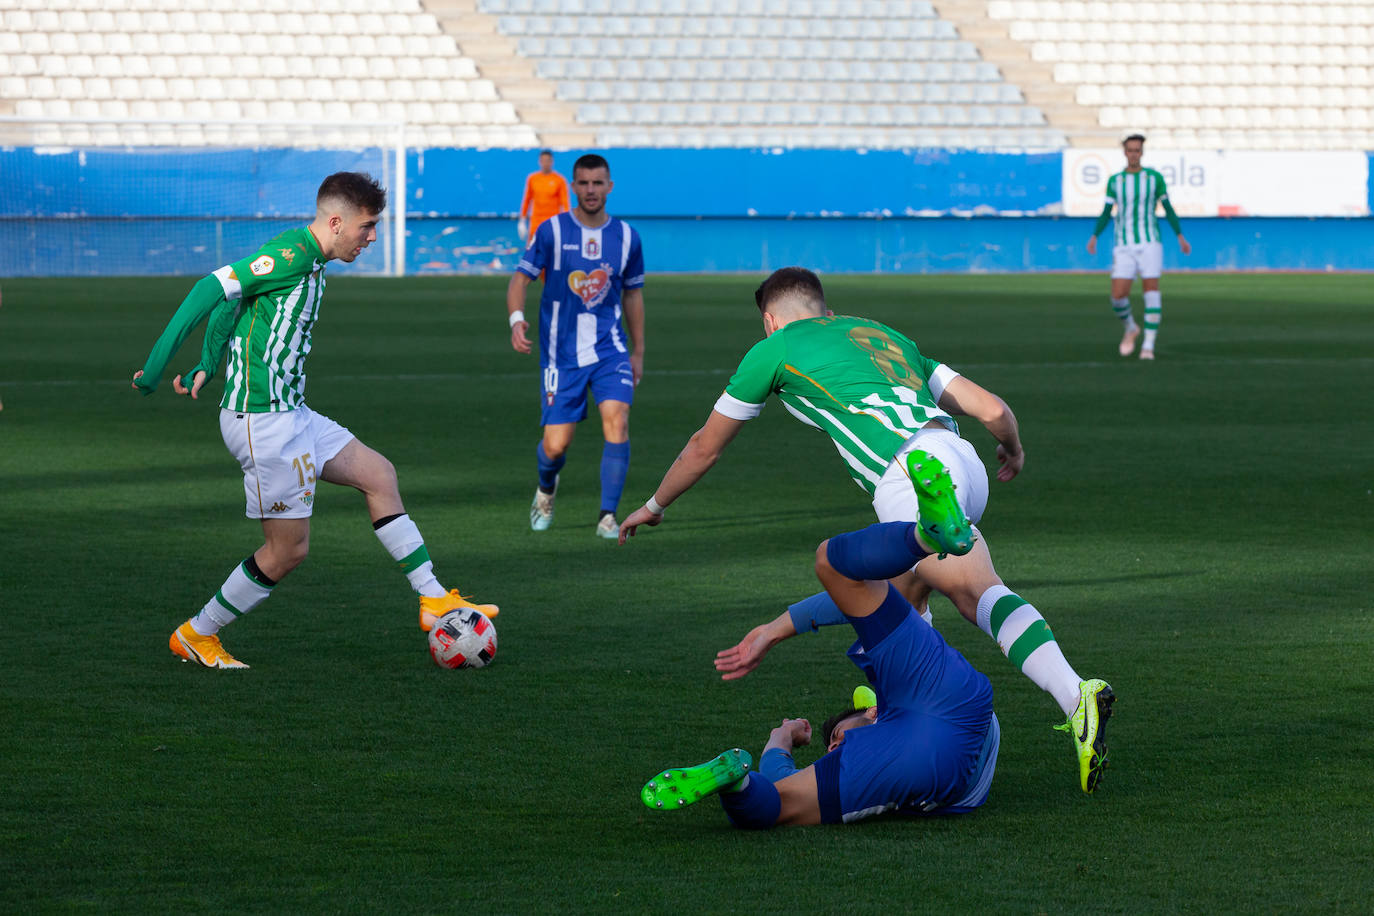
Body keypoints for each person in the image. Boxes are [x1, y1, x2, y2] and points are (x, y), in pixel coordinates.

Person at [619, 267, 1112, 793]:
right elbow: (993, 409)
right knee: (898, 600)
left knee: (971, 592)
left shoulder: (774, 348)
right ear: (825, 309)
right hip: (961, 459)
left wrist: (654, 505)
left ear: (770, 320)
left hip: (907, 469)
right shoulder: (885, 336)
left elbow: (704, 446)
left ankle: (1074, 694)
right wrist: (1011, 448)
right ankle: (893, 703)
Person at [132, 172, 497, 669]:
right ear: (335, 221)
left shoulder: (310, 259)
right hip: (263, 423)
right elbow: (210, 289)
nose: (371, 238)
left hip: (293, 413)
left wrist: (207, 363)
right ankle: (197, 633)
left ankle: (433, 599)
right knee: (286, 552)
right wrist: (155, 370)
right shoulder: (291, 256)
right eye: (366, 227)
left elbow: (236, 303)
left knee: (378, 474)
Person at [640, 512, 1003, 826]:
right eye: (833, 742)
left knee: (832, 563)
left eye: (835, 737)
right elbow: (784, 787)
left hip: (934, 727)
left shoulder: (878, 730)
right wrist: (778, 740)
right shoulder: (873, 741)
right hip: (949, 716)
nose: (832, 746)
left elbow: (784, 790)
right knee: (836, 566)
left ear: (872, 711)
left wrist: (779, 738)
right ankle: (734, 783)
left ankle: (927, 534)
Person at [506, 153, 646, 539]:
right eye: (583, 183)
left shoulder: (628, 238)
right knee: (555, 445)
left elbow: (633, 296)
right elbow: (520, 280)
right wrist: (517, 321)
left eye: (597, 183)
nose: (590, 190)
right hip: (560, 353)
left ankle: (607, 516)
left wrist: (637, 352)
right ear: (573, 186)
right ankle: (546, 489)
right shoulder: (551, 231)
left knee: (617, 420)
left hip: (609, 349)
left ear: (609, 187)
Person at [1085, 133, 1192, 360]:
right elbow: (1106, 212)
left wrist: (1180, 236)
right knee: (1117, 296)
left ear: (1142, 152)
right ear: (1125, 152)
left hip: (1150, 241)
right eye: (1130, 150)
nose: (1134, 154)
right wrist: (1095, 235)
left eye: (1137, 150)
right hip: (1123, 244)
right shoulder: (1115, 181)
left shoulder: (1154, 178)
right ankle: (1131, 328)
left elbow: (1168, 208)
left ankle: (1148, 347)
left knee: (1151, 290)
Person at [517, 149, 569, 243]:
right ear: (539, 162)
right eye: (543, 161)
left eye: (548, 161)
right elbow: (527, 200)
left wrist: (566, 222)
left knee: (552, 250)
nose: (546, 163)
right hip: (536, 222)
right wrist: (522, 220)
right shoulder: (533, 178)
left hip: (552, 222)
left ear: (552, 162)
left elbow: (565, 203)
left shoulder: (559, 180)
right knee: (532, 250)